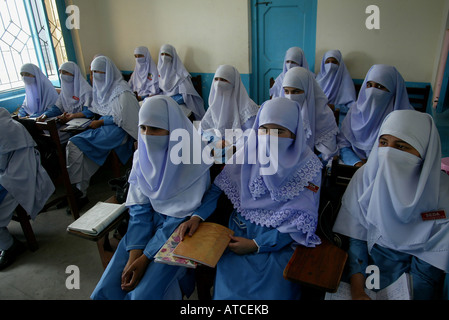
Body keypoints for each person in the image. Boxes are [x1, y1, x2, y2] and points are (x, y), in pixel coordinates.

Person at [91, 96, 215, 300]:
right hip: (143, 230)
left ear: (173, 130)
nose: (147, 136)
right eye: (143, 128)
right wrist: (134, 254)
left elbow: (180, 217)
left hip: (178, 234)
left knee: (142, 294)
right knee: (105, 290)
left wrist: (146, 257)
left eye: (155, 129)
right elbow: (140, 210)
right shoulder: (142, 156)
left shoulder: (193, 158)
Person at [208, 97, 323, 299]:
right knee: (229, 288)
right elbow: (218, 187)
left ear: (294, 135)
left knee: (275, 290)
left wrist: (256, 244)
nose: (269, 137)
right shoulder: (249, 152)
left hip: (281, 241)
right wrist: (195, 218)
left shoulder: (308, 166)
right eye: (264, 129)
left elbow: (300, 221)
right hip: (239, 232)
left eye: (279, 131)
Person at [333, 110, 449, 300]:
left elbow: (428, 267)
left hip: (414, 276)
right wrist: (358, 290)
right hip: (366, 266)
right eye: (383, 143)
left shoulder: (442, 194)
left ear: (425, 151)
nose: (388, 154)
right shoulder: (366, 178)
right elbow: (357, 241)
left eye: (402, 146)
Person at [66, 56, 140, 207]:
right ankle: (80, 188)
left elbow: (124, 118)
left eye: (97, 72)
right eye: (92, 72)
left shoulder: (122, 92)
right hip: (105, 128)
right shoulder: (100, 89)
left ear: (108, 73)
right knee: (76, 148)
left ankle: (79, 189)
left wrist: (101, 121)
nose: (93, 77)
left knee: (74, 144)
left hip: (120, 130)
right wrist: (76, 116)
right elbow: (95, 108)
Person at [0, 108, 55, 270]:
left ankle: (8, 245)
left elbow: (1, 163)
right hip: (9, 170)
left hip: (18, 174)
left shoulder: (4, 128)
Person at [337, 64, 414, 167]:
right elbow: (343, 144)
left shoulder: (406, 119)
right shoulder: (355, 111)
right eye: (369, 85)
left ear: (393, 90)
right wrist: (356, 163)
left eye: (379, 87)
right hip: (354, 167)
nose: (372, 91)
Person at [200, 64, 260, 163]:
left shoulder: (248, 109)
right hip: (216, 150)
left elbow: (251, 134)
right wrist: (216, 141)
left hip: (239, 153)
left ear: (234, 83)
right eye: (216, 79)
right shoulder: (213, 107)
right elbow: (203, 129)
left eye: (224, 80)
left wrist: (232, 147)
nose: (219, 84)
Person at [282, 66, 339, 163]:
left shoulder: (324, 115)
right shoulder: (281, 111)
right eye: (286, 91)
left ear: (308, 90)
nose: (290, 97)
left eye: (296, 91)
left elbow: (328, 154)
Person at [157, 44, 205, 120]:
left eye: (167, 54)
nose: (164, 57)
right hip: (165, 103)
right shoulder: (160, 74)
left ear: (173, 56)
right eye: (162, 54)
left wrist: (170, 101)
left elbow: (186, 96)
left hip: (180, 104)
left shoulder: (181, 74)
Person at [316, 50, 357, 123]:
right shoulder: (317, 82)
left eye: (334, 62)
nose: (331, 65)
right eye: (327, 62)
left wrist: (335, 107)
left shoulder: (346, 83)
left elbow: (352, 109)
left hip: (339, 121)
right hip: (318, 119)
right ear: (323, 64)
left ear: (340, 64)